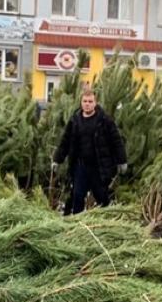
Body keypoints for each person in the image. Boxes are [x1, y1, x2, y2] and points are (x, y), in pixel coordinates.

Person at [53, 88, 128, 216]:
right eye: (85, 101)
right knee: (78, 195)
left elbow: (116, 141)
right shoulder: (75, 120)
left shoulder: (104, 120)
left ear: (95, 103)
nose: (87, 104)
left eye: (90, 101)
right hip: (80, 166)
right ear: (81, 102)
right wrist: (57, 159)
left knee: (101, 197)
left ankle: (105, 222)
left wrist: (122, 161)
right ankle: (78, 223)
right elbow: (65, 141)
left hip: (99, 167)